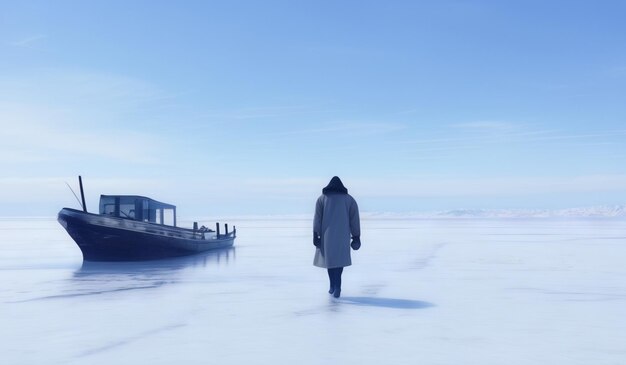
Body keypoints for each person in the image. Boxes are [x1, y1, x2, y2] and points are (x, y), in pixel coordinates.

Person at [313, 176, 361, 298]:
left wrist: (315, 234)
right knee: (339, 262)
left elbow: (317, 218)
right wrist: (356, 236)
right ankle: (338, 286)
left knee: (330, 262)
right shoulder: (349, 199)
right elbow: (354, 219)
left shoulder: (322, 199)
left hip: (326, 236)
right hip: (343, 235)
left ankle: (332, 286)